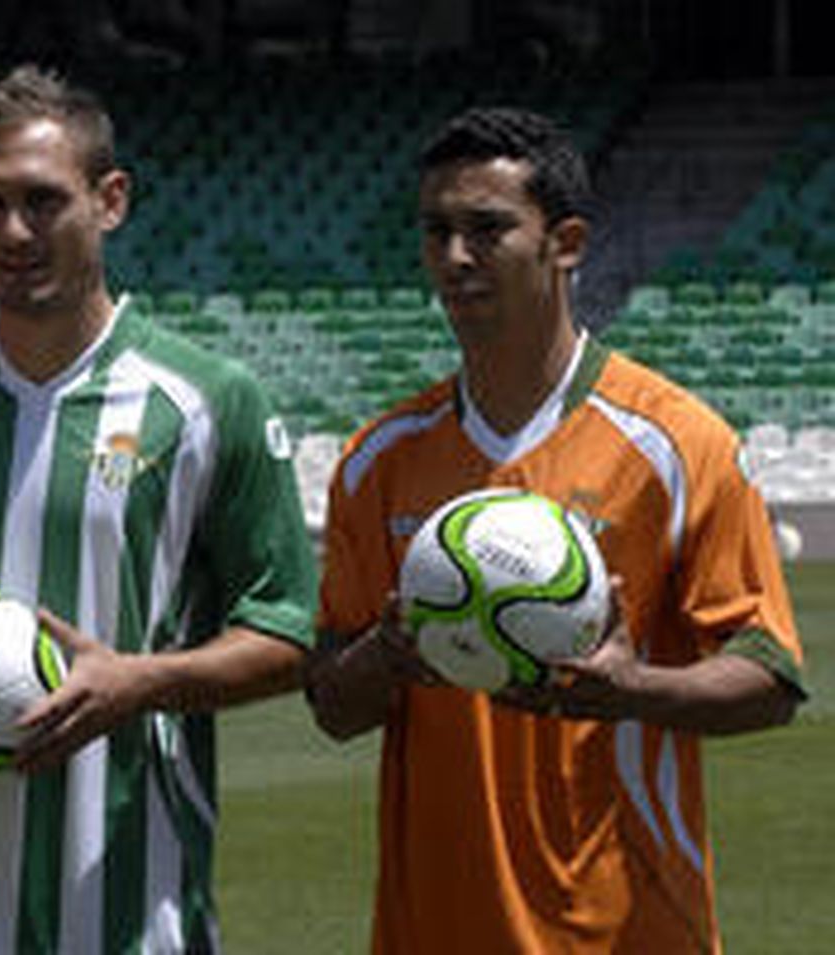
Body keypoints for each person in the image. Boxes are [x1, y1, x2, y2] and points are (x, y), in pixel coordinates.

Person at [0, 63, 315, 954]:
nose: (14, 231)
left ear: (111, 200)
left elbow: (287, 633)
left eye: (44, 201)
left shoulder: (207, 401)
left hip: (136, 913)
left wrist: (142, 681)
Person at [303, 106, 806, 953]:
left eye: (487, 229)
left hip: (629, 930)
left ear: (565, 242)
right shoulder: (377, 457)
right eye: (437, 232)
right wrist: (381, 658)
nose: (455, 258)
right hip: (435, 930)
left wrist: (631, 689)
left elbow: (770, 677)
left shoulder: (680, 443)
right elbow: (332, 705)